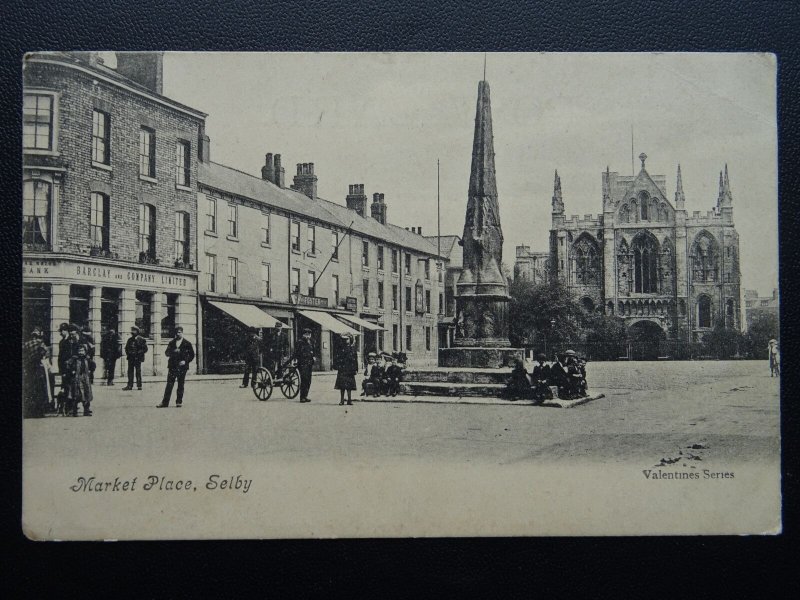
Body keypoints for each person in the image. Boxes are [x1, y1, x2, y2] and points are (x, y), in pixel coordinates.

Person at [158, 326, 195, 408]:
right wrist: (173, 351)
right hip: (172, 366)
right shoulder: (171, 343)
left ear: (182, 333)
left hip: (182, 367)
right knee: (169, 384)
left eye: (179, 332)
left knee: (180, 384)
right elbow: (166, 353)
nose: (178, 334)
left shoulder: (187, 343)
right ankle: (165, 403)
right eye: (176, 332)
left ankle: (179, 402)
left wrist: (185, 361)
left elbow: (192, 355)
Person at [23, 328, 51, 418]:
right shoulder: (40, 343)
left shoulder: (26, 344)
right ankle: (40, 411)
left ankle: (31, 411)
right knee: (40, 389)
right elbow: (46, 353)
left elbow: (24, 355)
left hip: (29, 367)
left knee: (31, 389)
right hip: (38, 367)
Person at [65, 343, 93, 416]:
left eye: (82, 351)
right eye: (79, 351)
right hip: (76, 379)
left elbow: (93, 366)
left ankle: (86, 410)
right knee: (76, 394)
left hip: (85, 379)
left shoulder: (87, 359)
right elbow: (67, 365)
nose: (81, 352)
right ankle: (74, 411)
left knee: (86, 394)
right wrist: (72, 371)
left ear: (85, 351)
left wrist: (90, 370)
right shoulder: (74, 359)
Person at [334, 333, 358, 405]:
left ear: (350, 339)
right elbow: (337, 358)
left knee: (349, 386)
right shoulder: (340, 348)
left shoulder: (353, 348)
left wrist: (356, 369)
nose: (346, 340)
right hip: (342, 369)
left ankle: (349, 400)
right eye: (344, 339)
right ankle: (342, 400)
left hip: (350, 369)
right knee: (342, 386)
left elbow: (355, 359)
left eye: (347, 339)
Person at [293, 328, 315, 403]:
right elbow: (296, 353)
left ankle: (305, 396)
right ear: (303, 335)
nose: (308, 336)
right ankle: (302, 397)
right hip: (302, 363)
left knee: (309, 380)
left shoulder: (311, 342)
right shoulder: (300, 342)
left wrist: (313, 357)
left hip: (309, 363)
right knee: (304, 380)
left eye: (309, 335)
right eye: (306, 335)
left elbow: (313, 351)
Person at [123, 325, 148, 391]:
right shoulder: (130, 340)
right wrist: (129, 353)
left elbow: (145, 349)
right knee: (130, 372)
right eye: (132, 331)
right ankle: (129, 386)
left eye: (134, 331)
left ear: (137, 331)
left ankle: (139, 385)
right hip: (131, 358)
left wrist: (138, 353)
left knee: (138, 372)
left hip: (137, 358)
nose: (132, 332)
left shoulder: (141, 339)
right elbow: (126, 348)